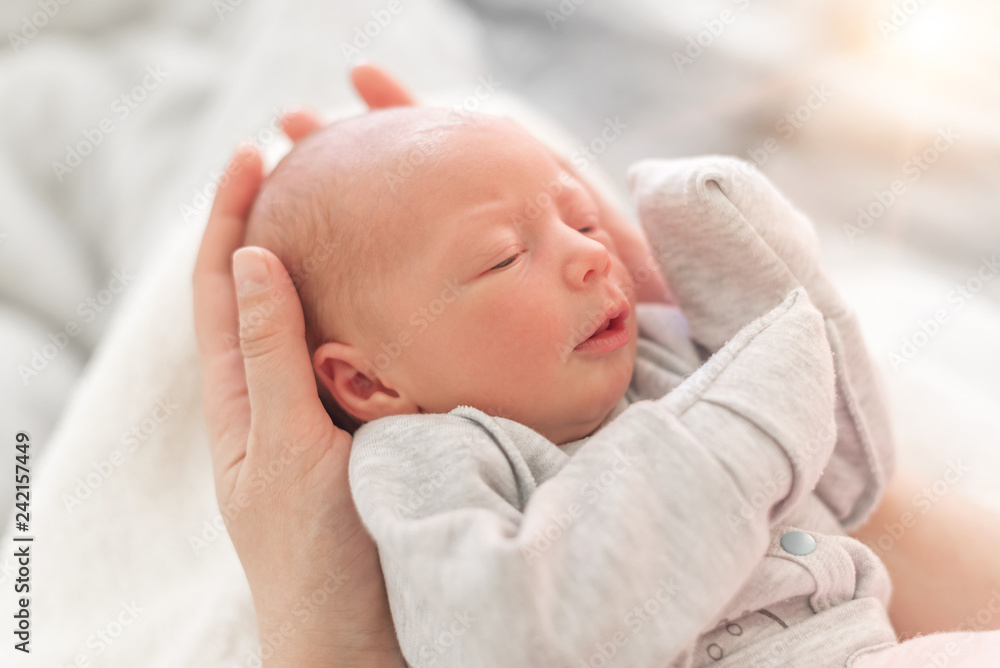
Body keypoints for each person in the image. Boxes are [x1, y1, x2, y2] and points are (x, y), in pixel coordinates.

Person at [193, 63, 1000, 667]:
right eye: (504, 257)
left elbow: (851, 477)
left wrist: (758, 275)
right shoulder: (431, 460)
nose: (589, 255)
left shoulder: (657, 350)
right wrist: (732, 433)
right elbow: (505, 635)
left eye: (580, 218)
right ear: (371, 383)